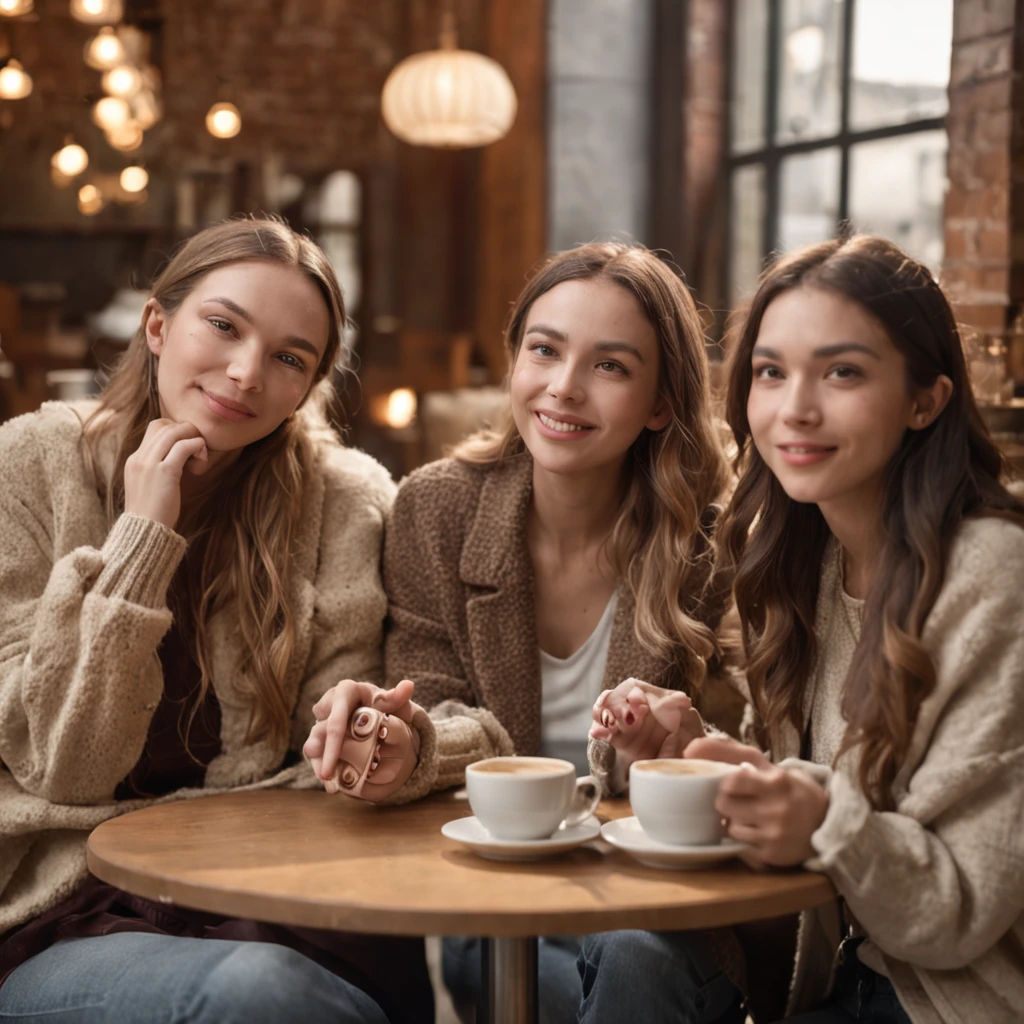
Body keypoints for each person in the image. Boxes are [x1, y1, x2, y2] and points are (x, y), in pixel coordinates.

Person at [0, 217, 436, 1024]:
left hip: (277, 894)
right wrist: (142, 540)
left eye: (288, 358)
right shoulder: (30, 464)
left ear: (308, 386)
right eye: (224, 326)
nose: (245, 374)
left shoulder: (346, 501)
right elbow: (64, 764)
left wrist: (376, 743)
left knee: (312, 987)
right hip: (67, 912)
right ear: (158, 324)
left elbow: (325, 765)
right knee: (264, 995)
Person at [583, 234, 1024, 1024]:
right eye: (771, 372)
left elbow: (960, 908)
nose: (795, 408)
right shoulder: (804, 560)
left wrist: (818, 821)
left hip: (958, 1004)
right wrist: (702, 761)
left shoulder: (993, 574)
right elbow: (825, 791)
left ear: (927, 399)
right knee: (628, 960)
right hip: (837, 985)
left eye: (843, 372)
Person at [307, 241, 735, 1022]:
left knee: (635, 960)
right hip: (504, 897)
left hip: (661, 901)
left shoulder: (711, 539)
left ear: (662, 403)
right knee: (502, 959)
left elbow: (750, 738)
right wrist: (407, 741)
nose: (564, 388)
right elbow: (432, 706)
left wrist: (680, 746)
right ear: (515, 363)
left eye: (611, 366)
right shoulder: (437, 509)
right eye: (544, 350)